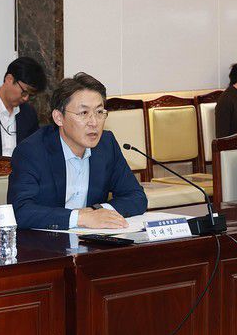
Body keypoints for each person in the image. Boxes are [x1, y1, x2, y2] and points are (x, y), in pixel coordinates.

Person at [8, 72, 147, 230]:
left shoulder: (106, 145)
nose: (94, 122)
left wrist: (97, 212)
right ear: (59, 118)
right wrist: (79, 218)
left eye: (99, 112)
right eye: (84, 113)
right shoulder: (32, 151)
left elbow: (136, 197)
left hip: (92, 239)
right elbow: (21, 211)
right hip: (47, 240)